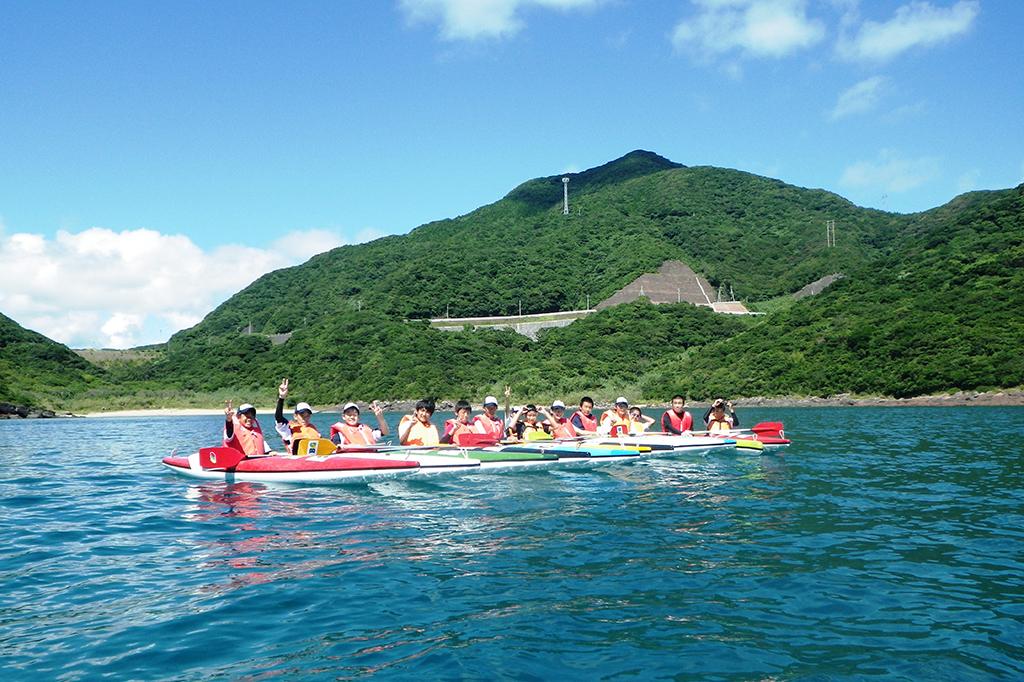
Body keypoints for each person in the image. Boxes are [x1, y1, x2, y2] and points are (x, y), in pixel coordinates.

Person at [274, 377, 321, 453]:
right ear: (295, 416)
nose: (305, 418)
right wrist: (281, 398)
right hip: (297, 459)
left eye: (307, 415)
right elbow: (278, 418)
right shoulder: (288, 429)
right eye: (302, 415)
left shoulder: (313, 429)